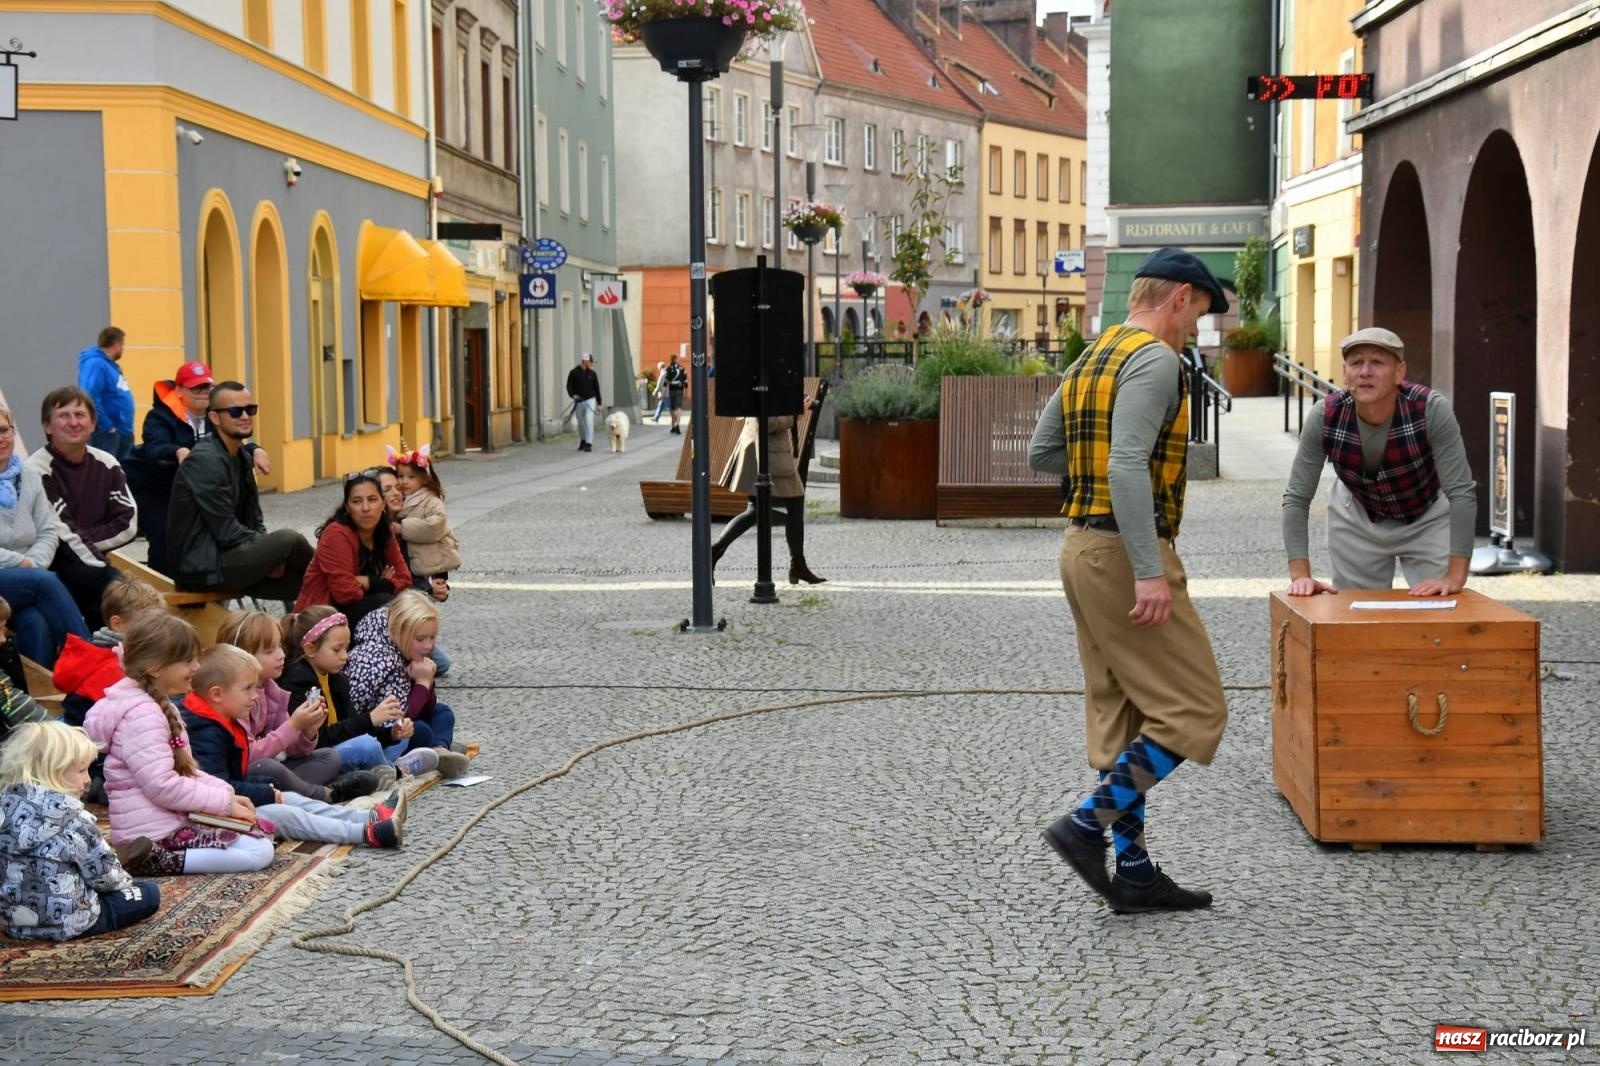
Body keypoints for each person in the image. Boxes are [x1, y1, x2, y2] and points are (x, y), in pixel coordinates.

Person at [1027, 247, 1231, 914]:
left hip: (1080, 548)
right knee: (1194, 709)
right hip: (1121, 556)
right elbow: (1125, 466)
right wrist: (1148, 571)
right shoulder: (1154, 359)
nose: (1193, 331)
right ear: (1177, 299)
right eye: (1197, 315)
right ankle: (1088, 826)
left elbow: (1043, 451)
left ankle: (1135, 871)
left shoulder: (1095, 355)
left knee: (1124, 716)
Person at [1282, 327, 1477, 597]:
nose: (1365, 371)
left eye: (1377, 362)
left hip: (1427, 515)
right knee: (1358, 618)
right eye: (1356, 363)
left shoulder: (1430, 409)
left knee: (1440, 615)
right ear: (1345, 373)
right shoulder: (1324, 416)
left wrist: (1455, 577)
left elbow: (1461, 491)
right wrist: (1300, 575)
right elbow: (1297, 497)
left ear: (1399, 372)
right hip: (1357, 517)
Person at [83, 613, 276, 875]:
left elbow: (182, 771)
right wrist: (223, 804)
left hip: (168, 822)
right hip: (153, 833)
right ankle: (153, 860)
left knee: (259, 834)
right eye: (188, 661)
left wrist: (225, 793)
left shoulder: (155, 705)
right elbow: (162, 785)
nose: (197, 667)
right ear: (155, 667)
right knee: (258, 851)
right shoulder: (142, 715)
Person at [180, 645, 405, 849]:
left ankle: (367, 818)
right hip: (216, 814)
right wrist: (266, 791)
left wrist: (270, 787)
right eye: (247, 689)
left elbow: (231, 778)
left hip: (234, 801)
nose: (253, 697)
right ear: (217, 694)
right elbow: (219, 787)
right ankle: (366, 833)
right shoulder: (206, 731)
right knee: (288, 815)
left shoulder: (221, 718)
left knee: (293, 799)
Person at [0, 721, 161, 940]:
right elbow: (106, 879)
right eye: (81, 770)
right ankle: (110, 860)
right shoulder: (72, 818)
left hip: (15, 924)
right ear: (54, 771)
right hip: (71, 923)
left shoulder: (4, 805)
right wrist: (124, 883)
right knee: (149, 893)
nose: (87, 780)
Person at [216, 608, 384, 803]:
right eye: (270, 650)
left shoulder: (272, 690)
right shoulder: (237, 696)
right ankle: (323, 794)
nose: (281, 655)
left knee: (330, 757)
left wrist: (308, 732)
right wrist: (293, 726)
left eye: (280, 646)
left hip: (279, 769)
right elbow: (248, 756)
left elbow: (297, 751)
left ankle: (307, 789)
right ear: (242, 656)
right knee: (270, 767)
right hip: (247, 775)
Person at [167, 382, 312, 606]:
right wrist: (270, 554)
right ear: (215, 418)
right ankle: (345, 576)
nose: (245, 416)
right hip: (203, 568)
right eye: (235, 411)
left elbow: (254, 518)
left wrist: (266, 553)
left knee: (313, 584)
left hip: (229, 559)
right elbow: (226, 531)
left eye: (250, 409)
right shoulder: (205, 460)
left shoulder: (241, 455)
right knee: (289, 540)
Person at [125, 361, 270, 576]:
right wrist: (177, 451)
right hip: (155, 487)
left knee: (216, 528)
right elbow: (153, 448)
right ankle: (163, 588)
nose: (203, 393)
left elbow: (231, 442)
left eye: (206, 387)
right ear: (179, 390)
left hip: (192, 488)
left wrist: (255, 449)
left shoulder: (217, 415)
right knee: (166, 534)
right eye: (196, 387)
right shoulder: (159, 417)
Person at [279, 606, 440, 779]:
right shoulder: (298, 681)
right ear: (310, 650)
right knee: (366, 746)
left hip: (343, 747)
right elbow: (320, 739)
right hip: (317, 757)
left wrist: (392, 733)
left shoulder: (337, 679)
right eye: (337, 649)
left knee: (402, 736)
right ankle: (397, 771)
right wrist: (370, 719)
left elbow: (353, 726)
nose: (345, 656)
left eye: (346, 648)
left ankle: (380, 770)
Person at [25, 385, 137, 630]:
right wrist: (101, 567)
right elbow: (61, 534)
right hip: (54, 567)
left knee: (126, 600)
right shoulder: (35, 470)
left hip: (88, 563)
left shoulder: (107, 463)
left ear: (93, 423)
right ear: (47, 426)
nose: (73, 422)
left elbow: (128, 523)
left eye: (80, 415)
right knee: (121, 596)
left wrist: (86, 548)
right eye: (63, 415)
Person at [0, 404, 91, 666]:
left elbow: (48, 530)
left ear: (13, 432)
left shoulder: (28, 475)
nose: (1, 438)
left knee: (35, 624)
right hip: (24, 575)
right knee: (45, 582)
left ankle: (37, 698)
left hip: (27, 575)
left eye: (4, 430)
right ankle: (90, 663)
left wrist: (33, 564)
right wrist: (23, 565)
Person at [345, 590, 470, 778]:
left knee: (443, 712)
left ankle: (439, 750)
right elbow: (402, 718)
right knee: (421, 731)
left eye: (432, 637)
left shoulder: (405, 649)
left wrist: (427, 683)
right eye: (420, 639)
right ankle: (434, 749)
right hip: (381, 730)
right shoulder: (377, 658)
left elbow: (427, 707)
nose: (429, 645)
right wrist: (422, 683)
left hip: (404, 718)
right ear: (397, 630)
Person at [710, 398, 825, 585]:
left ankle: (714, 552)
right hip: (768, 452)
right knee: (791, 504)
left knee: (756, 509)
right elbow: (766, 421)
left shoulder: (760, 374)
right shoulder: (767, 376)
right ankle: (797, 565)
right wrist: (795, 411)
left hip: (758, 448)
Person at [293, 471, 411, 627]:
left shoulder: (383, 532)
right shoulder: (336, 533)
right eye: (357, 501)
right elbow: (345, 594)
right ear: (347, 507)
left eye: (372, 499)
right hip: (320, 622)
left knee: (407, 615)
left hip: (358, 614)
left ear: (383, 504)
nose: (365, 508)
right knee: (388, 606)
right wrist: (382, 583)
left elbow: (405, 580)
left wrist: (367, 582)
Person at [387, 445, 460, 604]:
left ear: (424, 478)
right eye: (400, 476)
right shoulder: (399, 498)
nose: (404, 481)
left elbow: (436, 526)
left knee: (422, 604)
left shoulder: (431, 501)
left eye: (411, 477)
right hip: (409, 563)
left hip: (428, 564)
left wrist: (402, 528)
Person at [77, 327, 135, 460]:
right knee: (105, 474)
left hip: (120, 432)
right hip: (108, 434)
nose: (122, 350)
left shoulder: (109, 365)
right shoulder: (96, 364)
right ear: (116, 345)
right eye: (122, 346)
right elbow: (88, 395)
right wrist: (106, 425)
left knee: (121, 476)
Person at [565, 353, 604, 452]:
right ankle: (583, 440)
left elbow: (597, 389)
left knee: (588, 420)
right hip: (579, 401)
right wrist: (573, 395)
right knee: (581, 423)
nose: (592, 364)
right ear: (585, 361)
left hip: (590, 400)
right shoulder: (573, 373)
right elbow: (569, 386)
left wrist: (599, 403)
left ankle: (589, 443)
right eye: (590, 362)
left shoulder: (592, 374)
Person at [661, 351, 688, 435]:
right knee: (679, 408)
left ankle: (674, 425)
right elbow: (686, 381)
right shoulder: (683, 369)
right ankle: (677, 424)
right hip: (680, 390)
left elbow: (665, 382)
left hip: (672, 390)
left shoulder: (668, 369)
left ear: (671, 360)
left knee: (673, 408)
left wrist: (663, 392)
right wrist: (686, 392)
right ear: (677, 360)